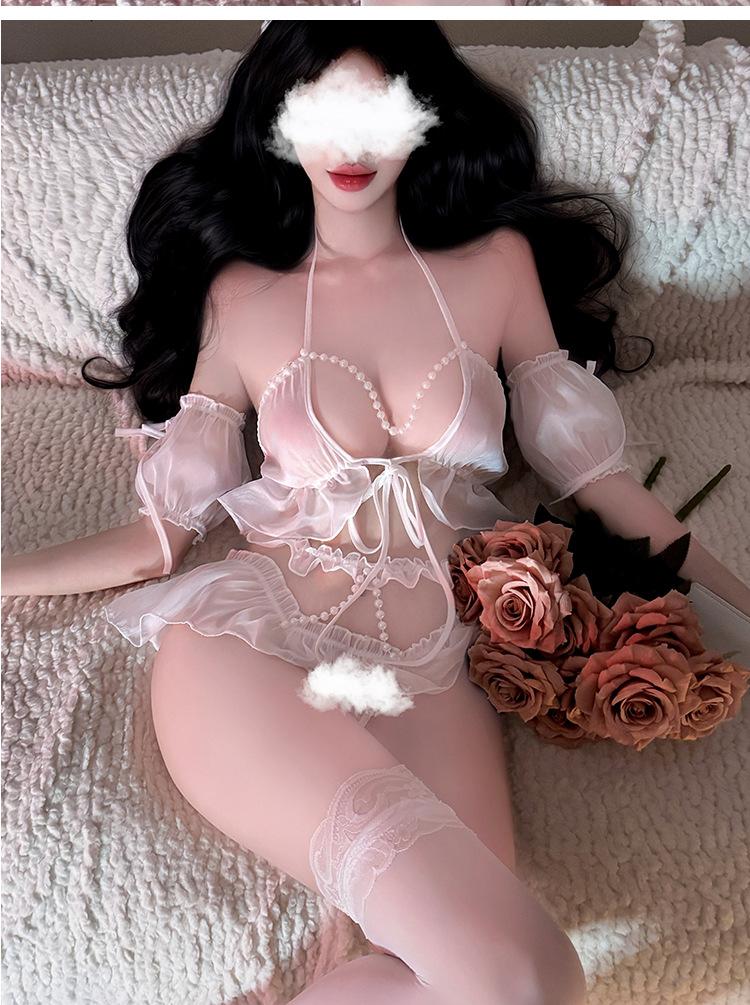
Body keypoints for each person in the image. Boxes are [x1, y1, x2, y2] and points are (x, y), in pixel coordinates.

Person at [4, 23, 749, 1005]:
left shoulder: (497, 266)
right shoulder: (241, 295)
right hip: (257, 648)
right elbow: (156, 542)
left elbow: (606, 489)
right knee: (528, 973)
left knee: (507, 985)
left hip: (436, 665)